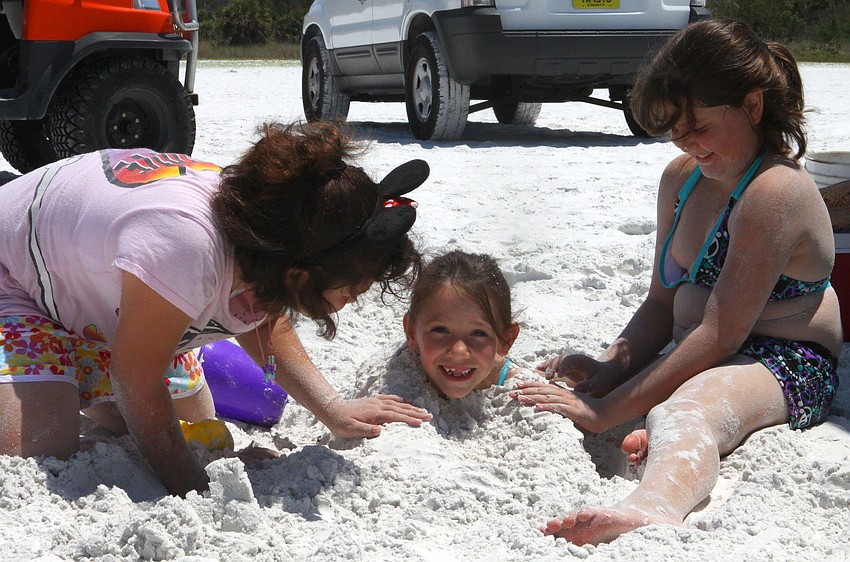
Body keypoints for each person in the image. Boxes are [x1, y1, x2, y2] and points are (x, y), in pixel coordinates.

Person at [511, 18, 841, 545]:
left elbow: (721, 336)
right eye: (672, 127)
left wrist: (601, 412)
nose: (684, 140)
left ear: (752, 107)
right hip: (698, 343)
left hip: (785, 360)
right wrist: (609, 368)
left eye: (699, 126)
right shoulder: (682, 178)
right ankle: (655, 436)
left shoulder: (775, 191)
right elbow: (661, 305)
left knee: (690, 408)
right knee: (624, 388)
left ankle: (654, 506)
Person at [0, 120, 433, 497]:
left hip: (93, 284)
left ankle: (75, 368)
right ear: (300, 272)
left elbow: (265, 316)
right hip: (14, 272)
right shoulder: (185, 245)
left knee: (198, 427)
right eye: (351, 288)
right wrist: (193, 486)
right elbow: (136, 381)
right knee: (37, 444)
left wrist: (332, 409)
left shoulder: (268, 231)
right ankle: (64, 370)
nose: (353, 300)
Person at [403, 251, 520, 398]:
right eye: (441, 330)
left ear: (506, 339)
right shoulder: (395, 377)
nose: (459, 351)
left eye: (478, 333)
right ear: (411, 331)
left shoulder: (517, 382)